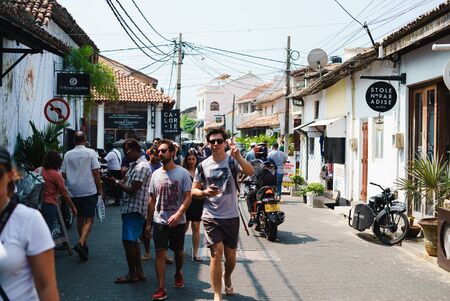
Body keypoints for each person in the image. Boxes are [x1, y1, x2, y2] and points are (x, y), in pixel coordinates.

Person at [192, 128, 253, 301]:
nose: (216, 144)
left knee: (231, 256)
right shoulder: (203, 165)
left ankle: (227, 276)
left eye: (219, 141)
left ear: (225, 143)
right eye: (212, 141)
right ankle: (217, 294)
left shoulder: (233, 161)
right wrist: (204, 193)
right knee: (216, 254)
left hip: (231, 216)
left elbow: (250, 172)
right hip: (211, 216)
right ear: (208, 144)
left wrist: (238, 156)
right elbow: (193, 192)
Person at [0, 147, 59, 300]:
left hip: (43, 206)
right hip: (49, 204)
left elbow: (46, 286)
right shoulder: (56, 174)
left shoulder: (28, 220)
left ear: (10, 175)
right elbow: (63, 190)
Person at [146, 139, 192, 301]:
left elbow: (188, 197)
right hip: (160, 222)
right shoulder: (155, 175)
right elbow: (152, 200)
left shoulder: (183, 173)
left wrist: (179, 214)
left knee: (178, 252)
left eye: (164, 150)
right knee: (160, 253)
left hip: (178, 222)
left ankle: (178, 272)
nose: (160, 153)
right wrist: (149, 222)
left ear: (172, 152)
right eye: (159, 151)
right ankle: (161, 287)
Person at [111, 138, 151, 284]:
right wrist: (117, 182)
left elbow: (132, 189)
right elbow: (126, 181)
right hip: (131, 208)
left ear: (135, 150)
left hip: (135, 208)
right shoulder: (135, 165)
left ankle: (132, 274)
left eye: (127, 152)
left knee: (128, 241)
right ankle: (138, 272)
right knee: (132, 242)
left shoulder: (141, 167)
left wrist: (116, 183)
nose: (126, 155)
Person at [61, 131, 103, 261]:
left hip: (73, 191)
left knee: (80, 218)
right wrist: (100, 189)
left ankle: (83, 245)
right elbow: (96, 172)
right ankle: (81, 243)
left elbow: (62, 173)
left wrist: (71, 182)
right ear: (85, 140)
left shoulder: (68, 154)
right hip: (88, 190)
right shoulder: (90, 153)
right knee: (89, 219)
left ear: (74, 141)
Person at [37, 150, 77, 234]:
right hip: (50, 204)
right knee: (47, 232)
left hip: (37, 205)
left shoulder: (39, 170)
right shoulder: (56, 174)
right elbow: (64, 193)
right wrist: (73, 207)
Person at [182, 149, 204, 262]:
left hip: (197, 201)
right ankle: (179, 249)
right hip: (185, 202)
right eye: (189, 159)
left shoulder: (200, 171)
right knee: (184, 227)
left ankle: (195, 253)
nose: (191, 161)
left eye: (193, 159)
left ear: (197, 159)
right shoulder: (183, 171)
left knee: (196, 227)